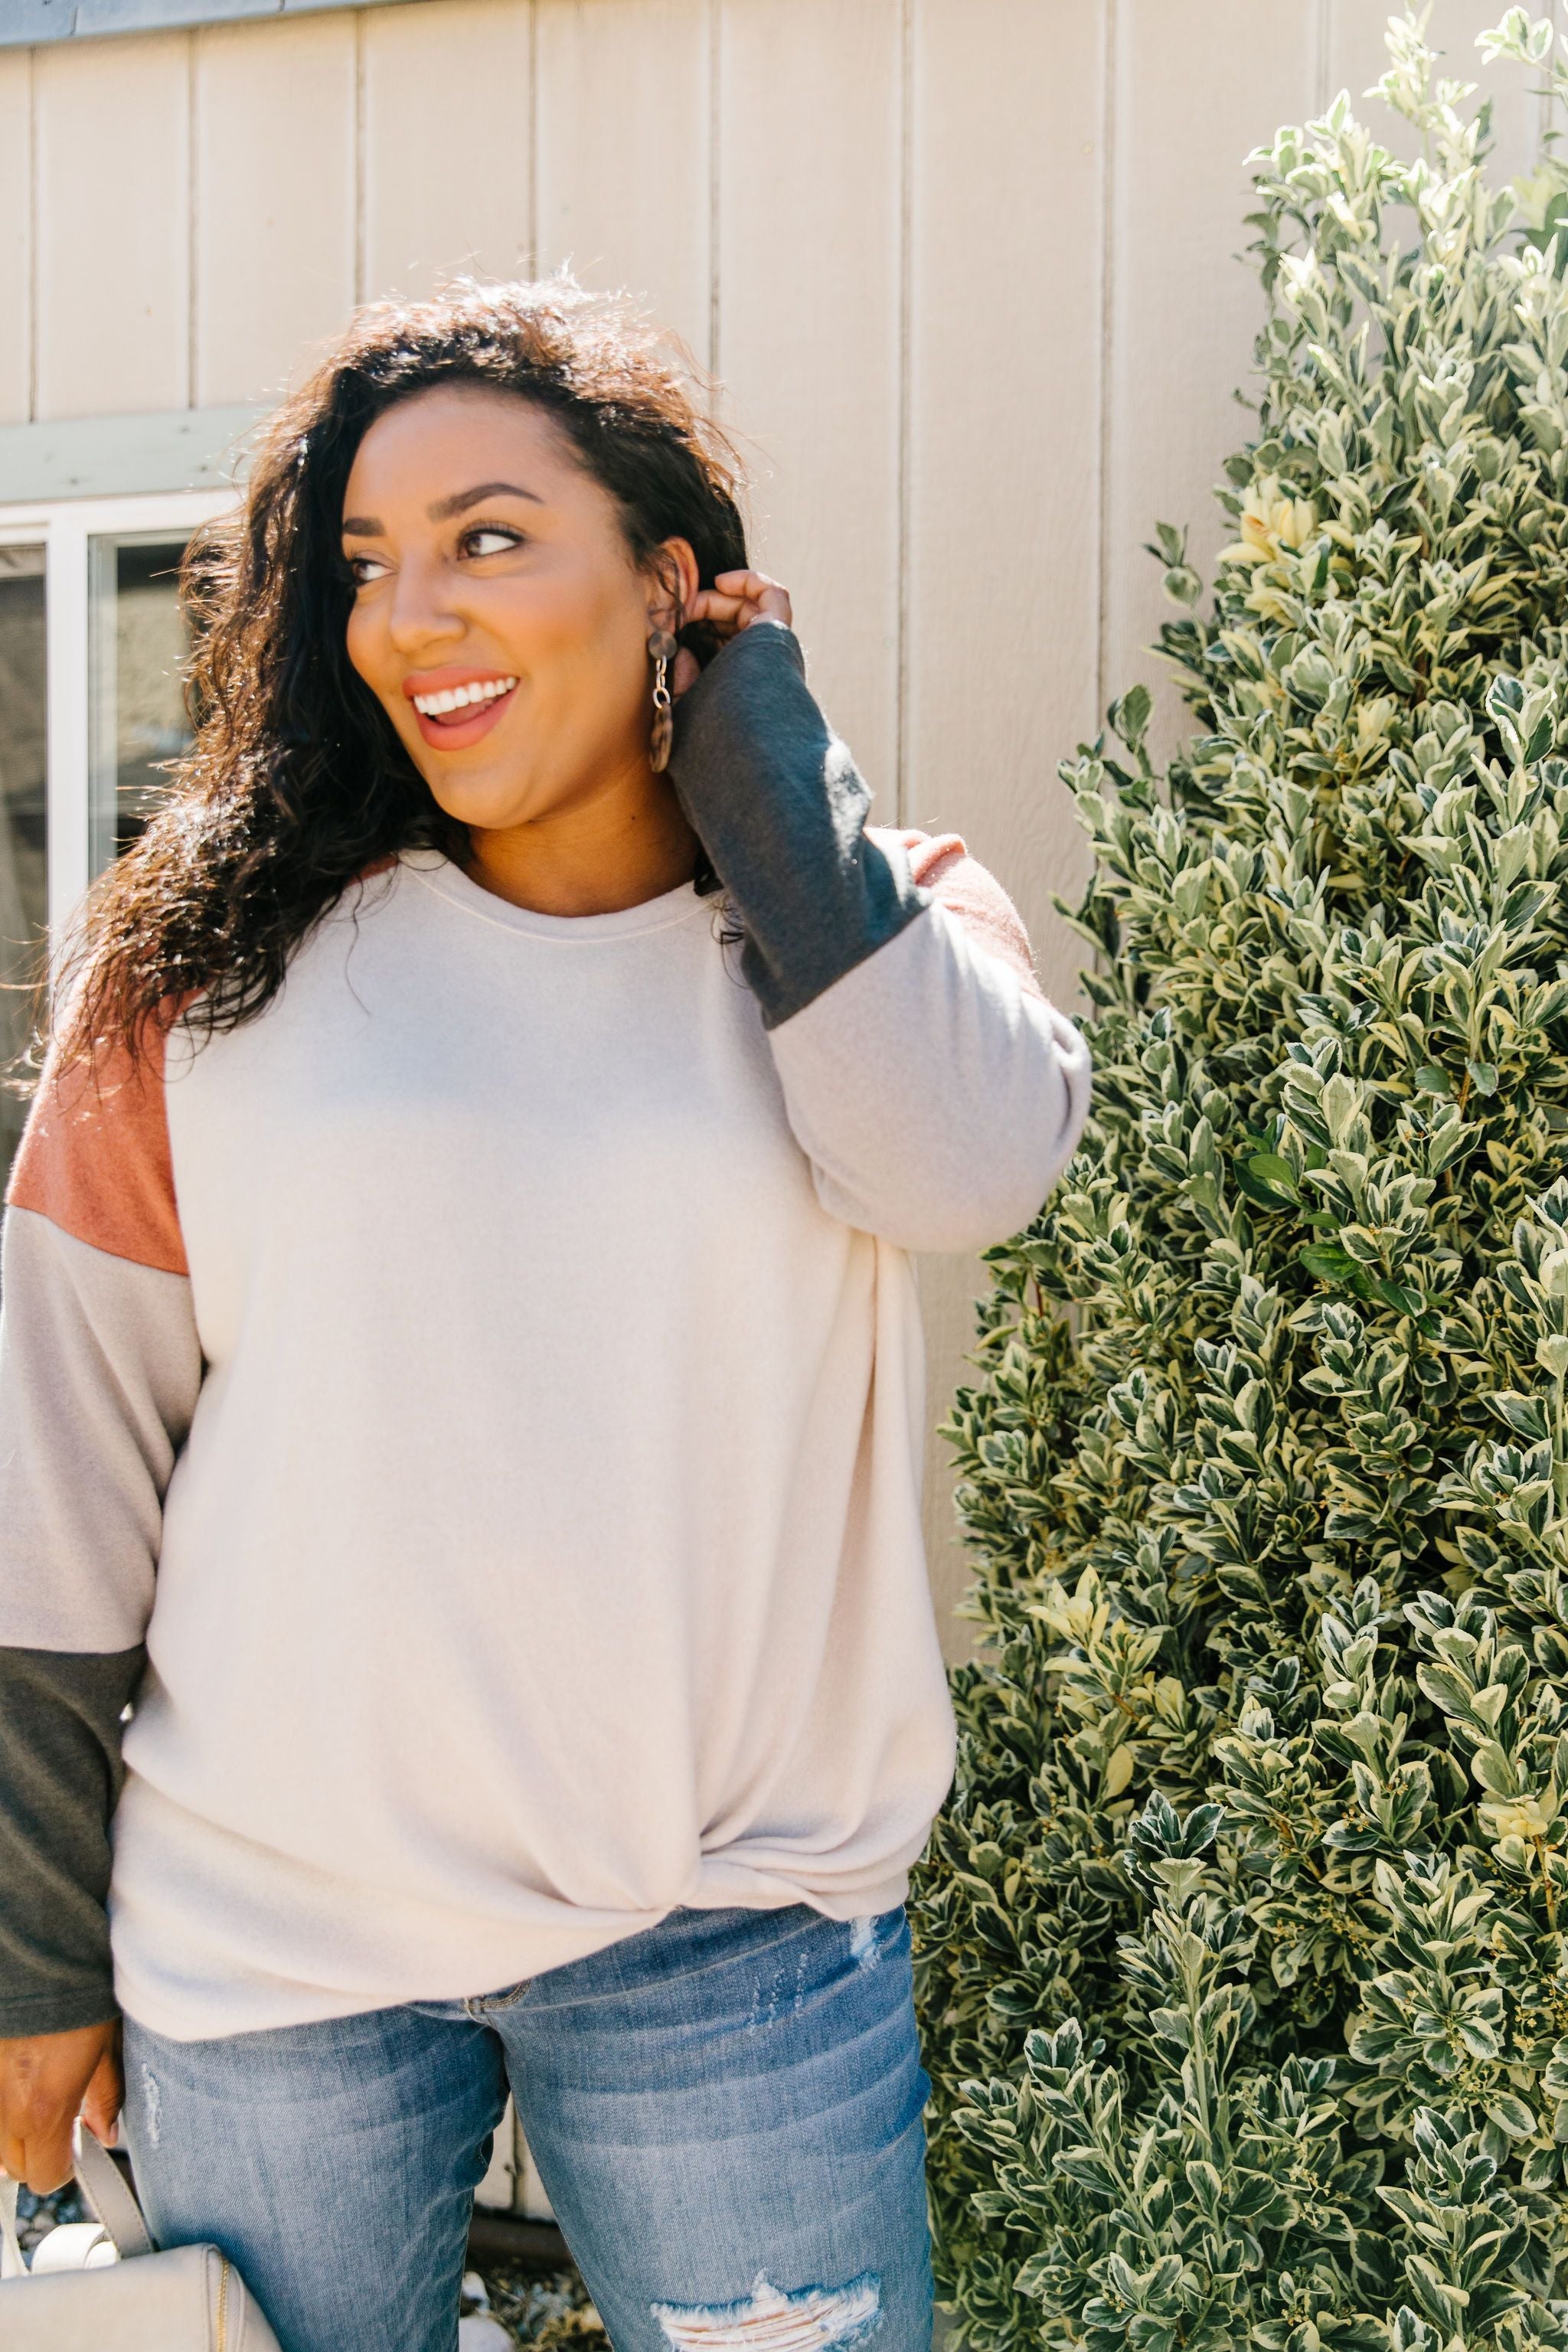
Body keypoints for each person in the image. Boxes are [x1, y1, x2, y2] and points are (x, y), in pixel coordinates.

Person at [0, 278, 1090, 2352]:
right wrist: (29, 1950)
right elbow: (47, 1483)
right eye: (364, 568)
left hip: (734, 1939)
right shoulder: (205, 972)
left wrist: (761, 759)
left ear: (669, 578)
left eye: (489, 538)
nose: (414, 617)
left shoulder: (872, 926)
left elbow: (961, 1168)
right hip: (269, 1953)